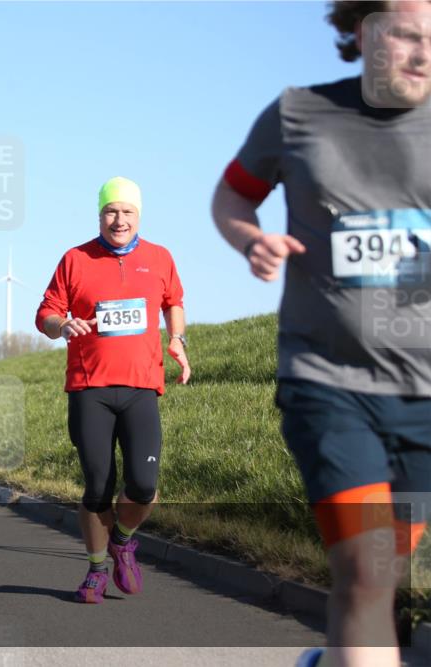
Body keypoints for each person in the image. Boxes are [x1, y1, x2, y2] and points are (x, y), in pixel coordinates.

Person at [211, 4, 430, 665]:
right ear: (362, 33)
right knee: (366, 570)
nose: (424, 53)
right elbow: (232, 195)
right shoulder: (298, 114)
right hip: (328, 382)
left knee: (385, 569)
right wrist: (251, 239)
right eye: (407, 36)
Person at [36, 175, 190, 605]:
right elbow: (46, 312)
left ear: (138, 215)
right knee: (97, 488)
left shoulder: (159, 258)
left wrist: (177, 338)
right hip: (90, 388)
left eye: (126, 212)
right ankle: (97, 568)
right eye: (110, 211)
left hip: (142, 386)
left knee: (143, 484)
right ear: (99, 215)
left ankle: (122, 539)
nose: (118, 220)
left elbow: (173, 302)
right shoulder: (75, 258)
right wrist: (61, 324)